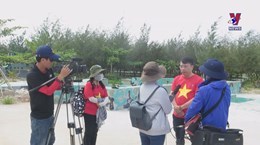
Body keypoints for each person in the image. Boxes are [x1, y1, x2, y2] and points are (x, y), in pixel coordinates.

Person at [26, 45, 72, 145]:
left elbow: (53, 85)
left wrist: (63, 83)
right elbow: (48, 91)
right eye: (51, 60)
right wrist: (60, 77)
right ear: (43, 60)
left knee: (50, 141)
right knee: (39, 142)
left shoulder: (48, 70)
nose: (52, 62)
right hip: (40, 118)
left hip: (50, 114)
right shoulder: (32, 75)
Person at [185, 59, 231, 144]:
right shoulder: (226, 88)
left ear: (208, 75)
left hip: (205, 131)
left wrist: (186, 122)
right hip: (221, 129)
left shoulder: (204, 90)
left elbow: (193, 110)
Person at [170, 56, 203, 145]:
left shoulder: (199, 80)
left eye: (185, 66)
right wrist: (176, 107)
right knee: (179, 138)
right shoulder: (177, 79)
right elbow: (172, 94)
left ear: (192, 67)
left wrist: (181, 107)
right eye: (181, 66)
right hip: (177, 115)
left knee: (195, 139)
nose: (182, 68)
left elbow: (197, 98)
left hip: (192, 116)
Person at [139, 61, 172, 145]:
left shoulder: (141, 87)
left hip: (143, 126)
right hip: (157, 129)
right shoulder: (160, 91)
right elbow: (168, 110)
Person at [83, 65, 109, 145]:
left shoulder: (101, 84)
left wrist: (102, 103)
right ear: (94, 74)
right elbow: (90, 98)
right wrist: (100, 102)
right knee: (89, 132)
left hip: (98, 113)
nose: (101, 74)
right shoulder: (89, 84)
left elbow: (106, 96)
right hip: (89, 113)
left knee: (95, 132)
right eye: (99, 72)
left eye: (101, 72)